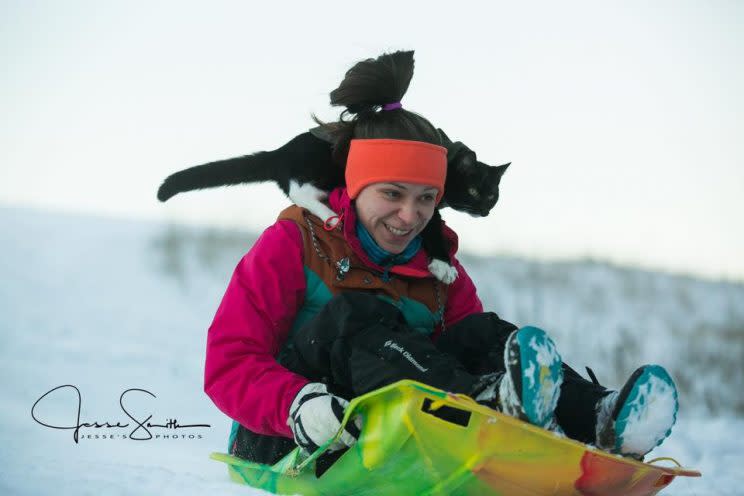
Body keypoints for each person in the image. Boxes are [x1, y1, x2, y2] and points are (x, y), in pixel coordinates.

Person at [203, 51, 678, 468]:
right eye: (392, 193)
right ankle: (481, 406)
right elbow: (228, 363)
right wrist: (296, 405)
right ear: (354, 185)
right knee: (359, 314)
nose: (409, 216)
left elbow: (473, 345)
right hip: (293, 437)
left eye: (426, 198)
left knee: (484, 332)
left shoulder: (437, 268)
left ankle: (597, 417)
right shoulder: (295, 242)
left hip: (412, 432)